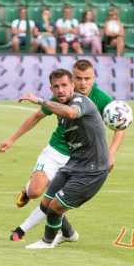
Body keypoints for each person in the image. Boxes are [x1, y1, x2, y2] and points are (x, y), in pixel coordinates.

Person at [0, 59, 125, 242]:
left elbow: (120, 126)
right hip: (57, 150)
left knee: (57, 199)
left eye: (87, 79)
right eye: (79, 78)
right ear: (73, 80)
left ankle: (39, 232)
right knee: (36, 192)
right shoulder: (61, 97)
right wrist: (12, 139)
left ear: (94, 78)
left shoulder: (101, 99)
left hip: (82, 159)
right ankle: (28, 190)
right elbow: (37, 116)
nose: (83, 83)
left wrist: (111, 153)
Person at [17, 68, 110, 249]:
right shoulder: (59, 110)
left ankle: (47, 241)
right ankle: (68, 235)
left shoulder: (80, 101)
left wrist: (39, 100)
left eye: (64, 85)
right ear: (51, 89)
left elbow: (72, 113)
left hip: (92, 169)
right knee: (47, 201)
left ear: (72, 86)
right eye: (56, 87)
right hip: (74, 164)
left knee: (55, 207)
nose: (60, 89)